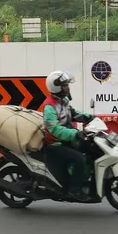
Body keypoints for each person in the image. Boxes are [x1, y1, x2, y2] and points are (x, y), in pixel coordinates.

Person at [43, 70, 93, 201]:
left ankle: (84, 181)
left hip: (66, 139)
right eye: (65, 85)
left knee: (91, 149)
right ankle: (74, 191)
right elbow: (54, 129)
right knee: (79, 159)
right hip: (55, 143)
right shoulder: (49, 106)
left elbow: (72, 113)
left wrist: (89, 117)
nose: (67, 87)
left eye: (67, 85)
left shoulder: (63, 101)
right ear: (57, 87)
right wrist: (75, 133)